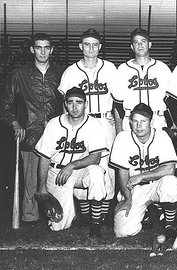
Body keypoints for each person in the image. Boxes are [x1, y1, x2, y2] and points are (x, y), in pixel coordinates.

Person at [0, 33, 64, 225]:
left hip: (56, 135)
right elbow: (6, 104)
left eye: (46, 47)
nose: (42, 51)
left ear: (51, 50)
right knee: (30, 181)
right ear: (32, 49)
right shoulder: (20, 74)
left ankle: (55, 215)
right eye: (38, 47)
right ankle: (30, 217)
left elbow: (70, 103)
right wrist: (15, 124)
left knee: (55, 177)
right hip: (30, 135)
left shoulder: (60, 73)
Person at [58, 28, 117, 227]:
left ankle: (105, 214)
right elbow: (64, 103)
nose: (91, 48)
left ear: (100, 47)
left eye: (94, 44)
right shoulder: (71, 71)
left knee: (106, 168)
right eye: (86, 44)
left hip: (104, 121)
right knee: (82, 164)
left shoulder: (110, 68)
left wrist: (118, 128)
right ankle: (84, 214)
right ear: (80, 46)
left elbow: (118, 102)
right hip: (80, 124)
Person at [34, 87, 108, 237]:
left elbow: (95, 157)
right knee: (58, 226)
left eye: (79, 102)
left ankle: (95, 224)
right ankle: (70, 212)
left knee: (97, 172)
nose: (74, 107)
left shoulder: (94, 124)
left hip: (80, 170)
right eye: (71, 103)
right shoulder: (54, 124)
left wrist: (72, 165)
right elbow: (44, 157)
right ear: (65, 104)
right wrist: (42, 188)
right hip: (57, 173)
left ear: (85, 104)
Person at [111, 103, 177, 238]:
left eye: (143, 121)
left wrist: (142, 176)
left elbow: (170, 169)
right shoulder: (122, 138)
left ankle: (169, 224)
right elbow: (122, 173)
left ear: (151, 122)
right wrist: (127, 199)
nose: (139, 126)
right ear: (130, 122)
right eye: (135, 121)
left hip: (157, 186)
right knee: (121, 232)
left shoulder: (161, 136)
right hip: (133, 189)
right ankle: (144, 214)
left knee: (171, 183)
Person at [114, 28, 172, 132]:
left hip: (157, 120)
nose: (140, 45)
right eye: (136, 42)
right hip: (131, 121)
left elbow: (171, 100)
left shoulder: (162, 68)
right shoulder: (123, 69)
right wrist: (118, 129)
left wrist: (171, 125)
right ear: (132, 47)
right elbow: (117, 104)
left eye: (143, 41)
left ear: (149, 44)